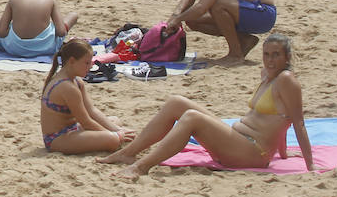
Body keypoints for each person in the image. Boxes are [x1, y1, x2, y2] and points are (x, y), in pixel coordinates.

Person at [100, 34, 314, 179]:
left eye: (276, 55)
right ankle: (129, 152)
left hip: (252, 152)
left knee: (192, 117)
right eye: (266, 54)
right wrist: (283, 154)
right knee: (177, 102)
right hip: (237, 139)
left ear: (287, 57)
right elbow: (280, 118)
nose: (270, 60)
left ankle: (141, 167)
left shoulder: (287, 80)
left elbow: (297, 122)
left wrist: (310, 165)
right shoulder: (267, 75)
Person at [37, 39, 134, 154]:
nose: (90, 67)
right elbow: (86, 121)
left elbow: (92, 111)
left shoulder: (76, 81)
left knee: (115, 121)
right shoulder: (67, 87)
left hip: (72, 129)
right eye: (86, 63)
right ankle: (112, 137)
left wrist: (117, 130)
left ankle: (113, 134)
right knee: (113, 139)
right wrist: (114, 135)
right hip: (57, 139)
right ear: (72, 61)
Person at [0, 0, 77, 58]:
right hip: (45, 48)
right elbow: (61, 32)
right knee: (73, 15)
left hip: (16, 49)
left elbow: (1, 33)